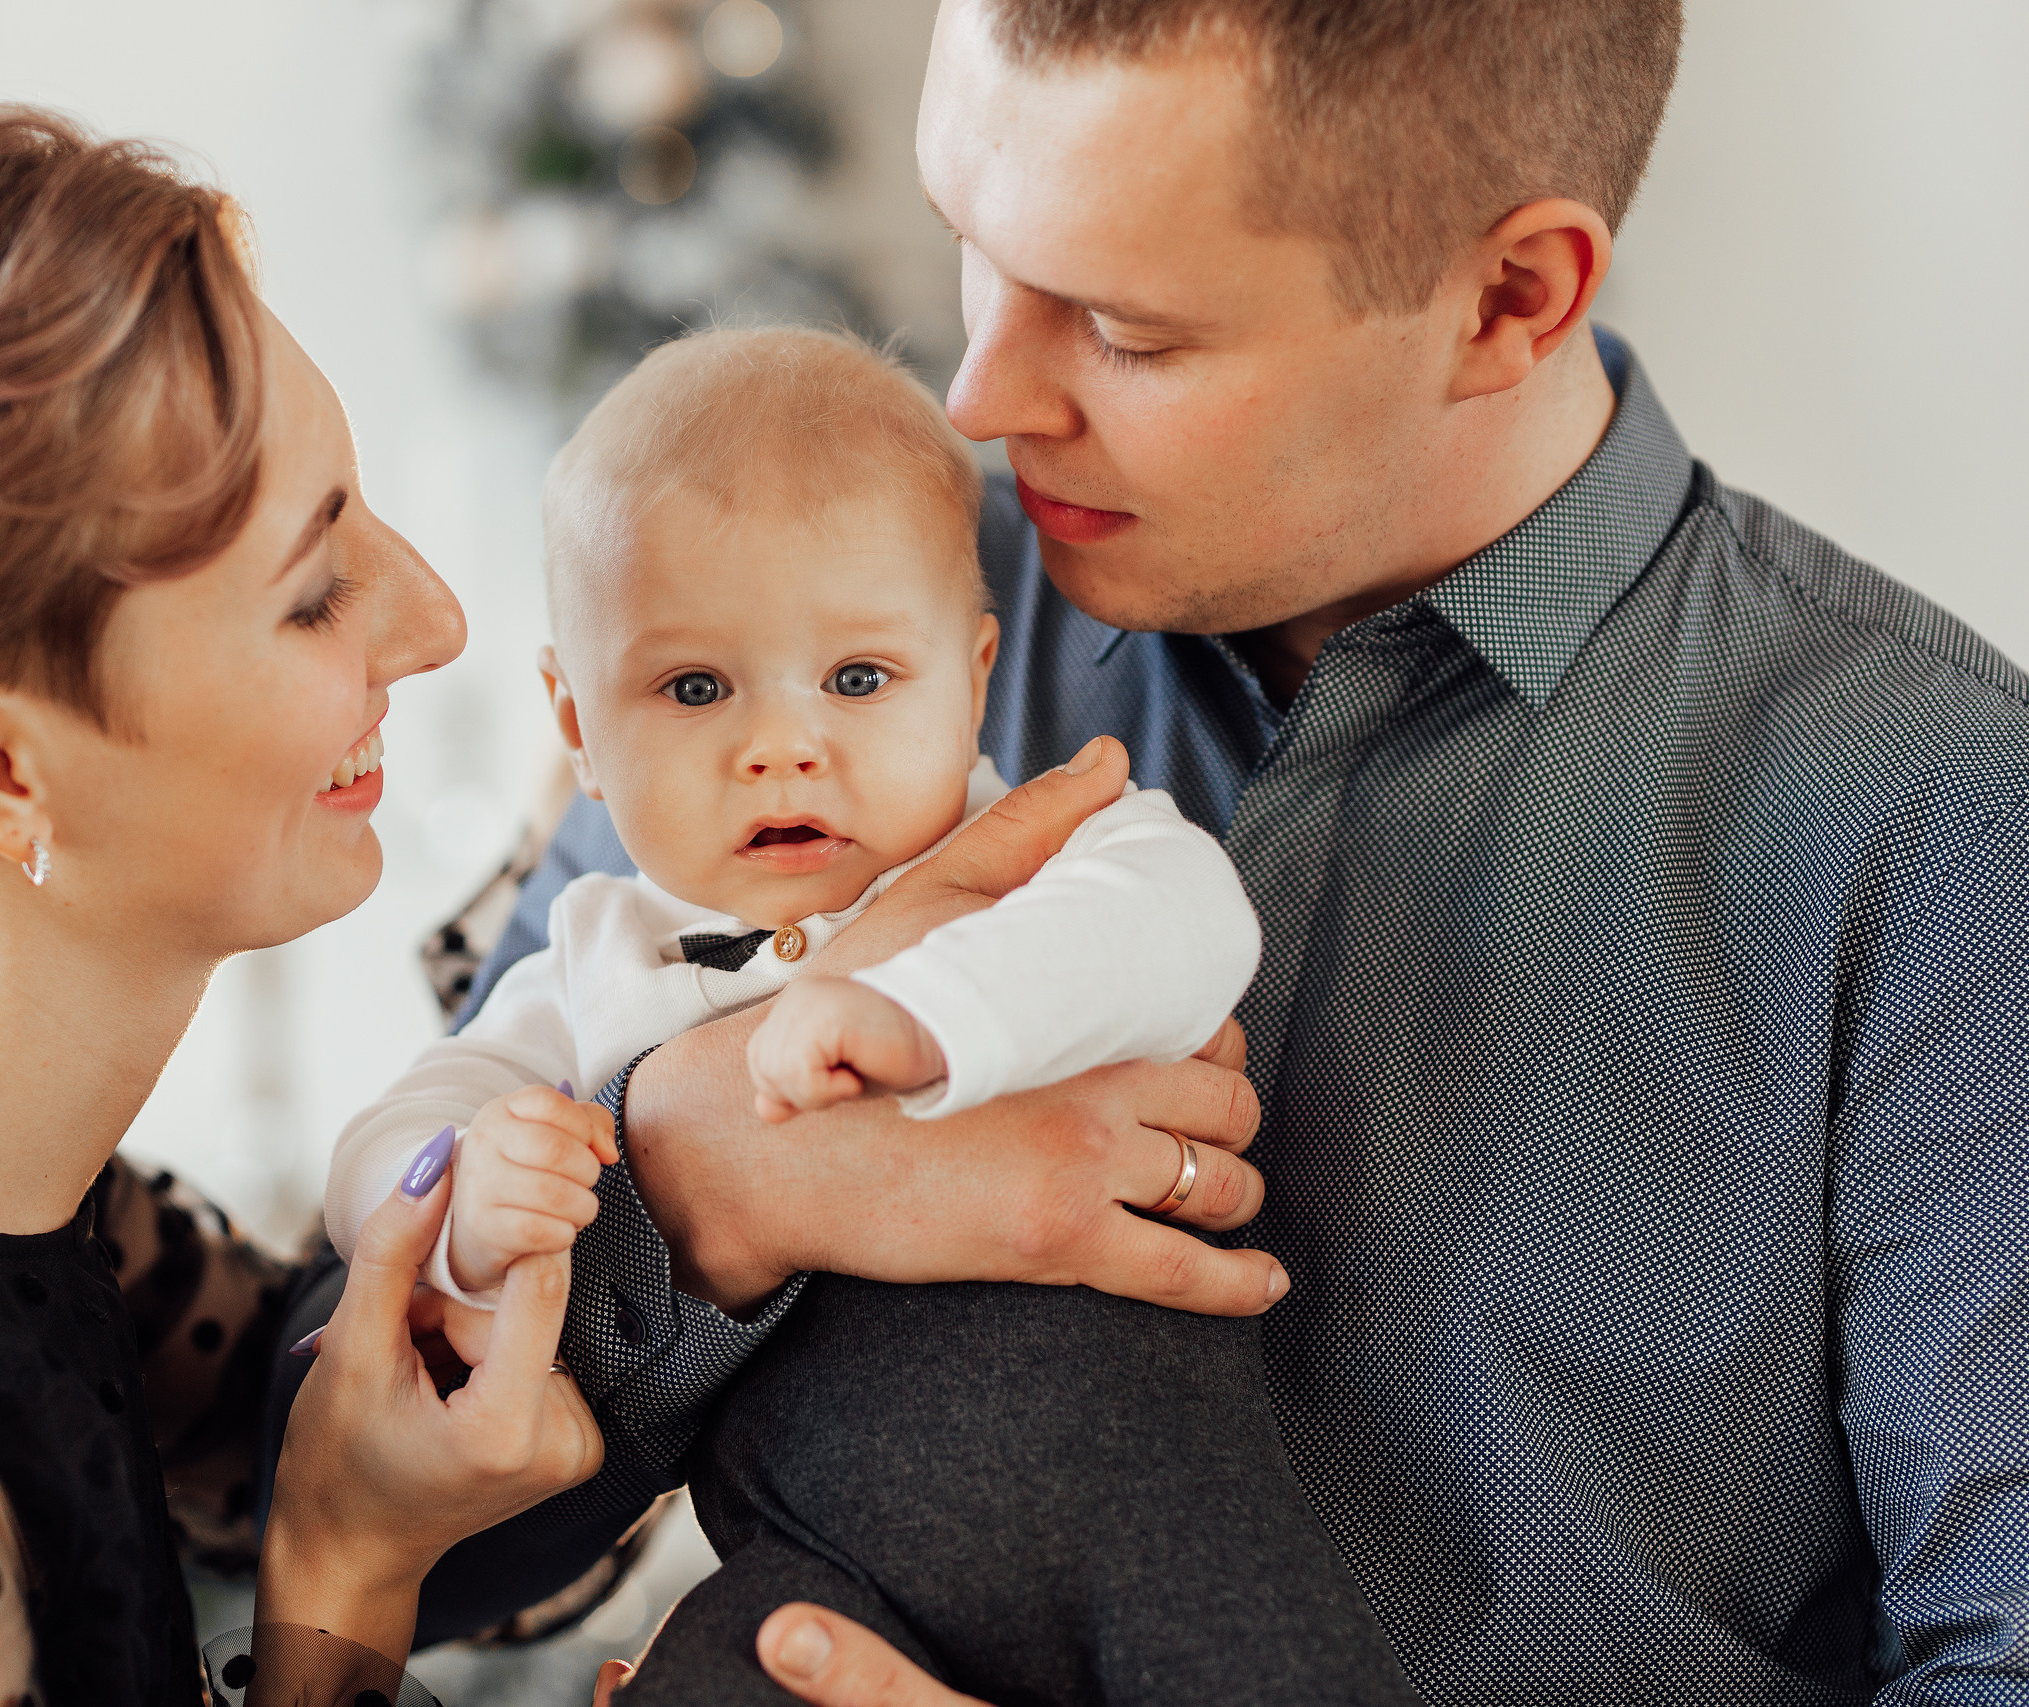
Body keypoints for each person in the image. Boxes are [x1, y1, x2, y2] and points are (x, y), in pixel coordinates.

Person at [450, 0, 2029, 1700]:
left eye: (1124, 327)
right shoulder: (815, 618)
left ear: (1511, 298)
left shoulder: (1940, 821)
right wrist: (700, 1182)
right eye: (970, 241)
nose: (979, 394)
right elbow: (367, 1488)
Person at [0, 97, 937, 1707]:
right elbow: (336, 1508)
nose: (435, 619)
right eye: (314, 593)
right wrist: (341, 1583)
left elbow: (350, 1416)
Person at [325, 326, 1392, 1705]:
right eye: (695, 688)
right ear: (577, 726)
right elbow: (396, 1146)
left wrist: (929, 1014)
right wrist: (466, 1200)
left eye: (859, 680)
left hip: (1147, 1506)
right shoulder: (595, 955)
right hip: (818, 1567)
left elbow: (1190, 919)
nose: (784, 744)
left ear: (975, 673)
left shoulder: (1038, 843)